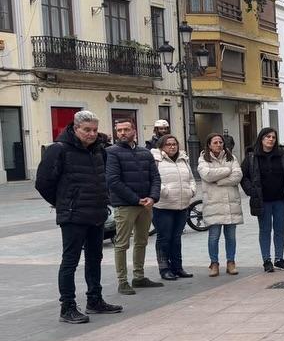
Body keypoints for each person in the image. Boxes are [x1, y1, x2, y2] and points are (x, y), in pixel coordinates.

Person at [35, 110, 122, 323]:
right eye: (86, 130)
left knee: (95, 258)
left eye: (94, 130)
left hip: (96, 213)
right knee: (70, 261)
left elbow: (101, 179)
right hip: (73, 215)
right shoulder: (59, 149)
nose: (91, 134)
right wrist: (64, 202)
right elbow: (43, 183)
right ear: (75, 129)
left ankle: (95, 300)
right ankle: (67, 307)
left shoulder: (99, 150)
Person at [106, 118, 163, 296]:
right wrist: (136, 199)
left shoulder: (145, 153)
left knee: (142, 241)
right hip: (125, 205)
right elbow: (113, 181)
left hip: (146, 204)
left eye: (126, 129)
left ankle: (139, 276)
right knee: (122, 244)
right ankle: (122, 281)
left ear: (134, 131)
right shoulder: (111, 152)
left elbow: (155, 177)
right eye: (119, 130)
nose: (122, 133)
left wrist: (153, 197)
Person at [240, 127, 284, 273]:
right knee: (265, 230)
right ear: (261, 139)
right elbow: (243, 176)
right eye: (268, 137)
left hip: (281, 200)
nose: (271, 139)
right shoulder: (252, 157)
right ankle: (266, 260)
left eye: (273, 137)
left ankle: (279, 259)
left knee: (280, 230)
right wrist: (251, 191)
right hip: (263, 201)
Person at [196, 132, 243, 276]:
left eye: (220, 142)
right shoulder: (203, 159)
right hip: (213, 203)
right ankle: (214, 263)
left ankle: (231, 262)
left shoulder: (231, 157)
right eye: (215, 142)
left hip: (230, 204)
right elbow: (207, 175)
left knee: (231, 237)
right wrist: (227, 170)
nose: (218, 145)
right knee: (214, 237)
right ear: (209, 145)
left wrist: (220, 181)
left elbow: (238, 176)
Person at [151, 135, 196, 281]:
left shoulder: (183, 159)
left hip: (182, 205)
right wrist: (165, 192)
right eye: (168, 144)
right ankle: (164, 268)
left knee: (176, 238)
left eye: (174, 144)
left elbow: (191, 178)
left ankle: (177, 267)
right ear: (161, 147)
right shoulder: (156, 160)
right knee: (164, 238)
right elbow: (153, 179)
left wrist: (191, 190)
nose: (172, 147)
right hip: (163, 206)